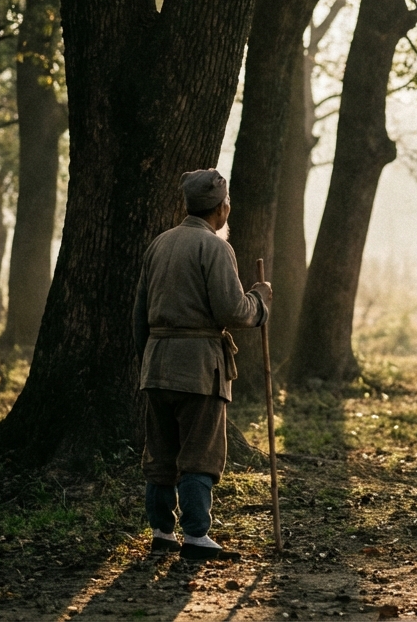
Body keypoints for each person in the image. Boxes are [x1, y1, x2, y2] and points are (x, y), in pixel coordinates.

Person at [133, 169, 272, 560]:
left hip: (156, 364)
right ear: (222, 207)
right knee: (199, 452)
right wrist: (260, 300)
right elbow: (232, 309)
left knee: (160, 454)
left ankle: (161, 532)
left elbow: (138, 315)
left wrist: (150, 359)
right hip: (199, 368)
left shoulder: (159, 244)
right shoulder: (215, 248)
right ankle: (196, 537)